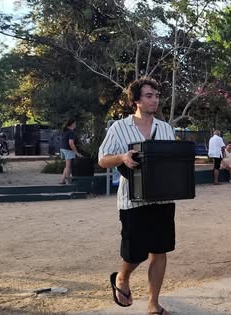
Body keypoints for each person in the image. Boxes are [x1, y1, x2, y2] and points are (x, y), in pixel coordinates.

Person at [98, 77, 175, 315]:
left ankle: (153, 303)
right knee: (136, 252)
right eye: (149, 96)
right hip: (132, 200)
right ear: (137, 101)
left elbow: (170, 160)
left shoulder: (165, 128)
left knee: (159, 250)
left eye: (156, 95)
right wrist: (122, 157)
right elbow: (102, 159)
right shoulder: (119, 128)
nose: (155, 100)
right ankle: (122, 277)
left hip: (163, 198)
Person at [59, 119, 83, 184]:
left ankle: (63, 180)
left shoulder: (64, 131)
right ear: (72, 124)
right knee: (69, 166)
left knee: (66, 166)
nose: (75, 125)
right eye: (75, 123)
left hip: (62, 149)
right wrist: (76, 152)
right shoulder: (71, 132)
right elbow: (71, 143)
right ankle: (68, 181)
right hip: (68, 150)